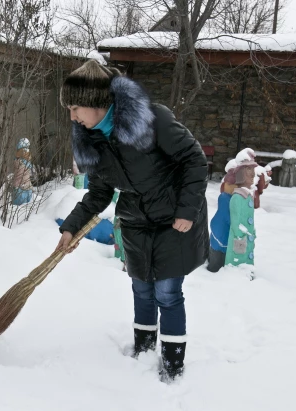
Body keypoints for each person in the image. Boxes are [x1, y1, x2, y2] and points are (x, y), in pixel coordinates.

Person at [55, 60, 208, 381]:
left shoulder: (152, 120)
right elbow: (99, 193)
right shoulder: (91, 138)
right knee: (141, 288)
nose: (72, 116)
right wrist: (71, 228)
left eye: (75, 107)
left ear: (97, 103)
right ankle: (143, 348)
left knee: (167, 292)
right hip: (136, 219)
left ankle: (172, 363)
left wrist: (186, 210)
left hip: (173, 216)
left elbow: (194, 160)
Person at [225, 162, 258, 272]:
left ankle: (248, 271)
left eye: (253, 175)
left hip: (247, 236)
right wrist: (240, 236)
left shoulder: (248, 196)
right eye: (250, 175)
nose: (253, 177)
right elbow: (235, 221)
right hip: (239, 238)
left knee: (247, 259)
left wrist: (252, 231)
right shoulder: (237, 198)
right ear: (242, 177)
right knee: (238, 260)